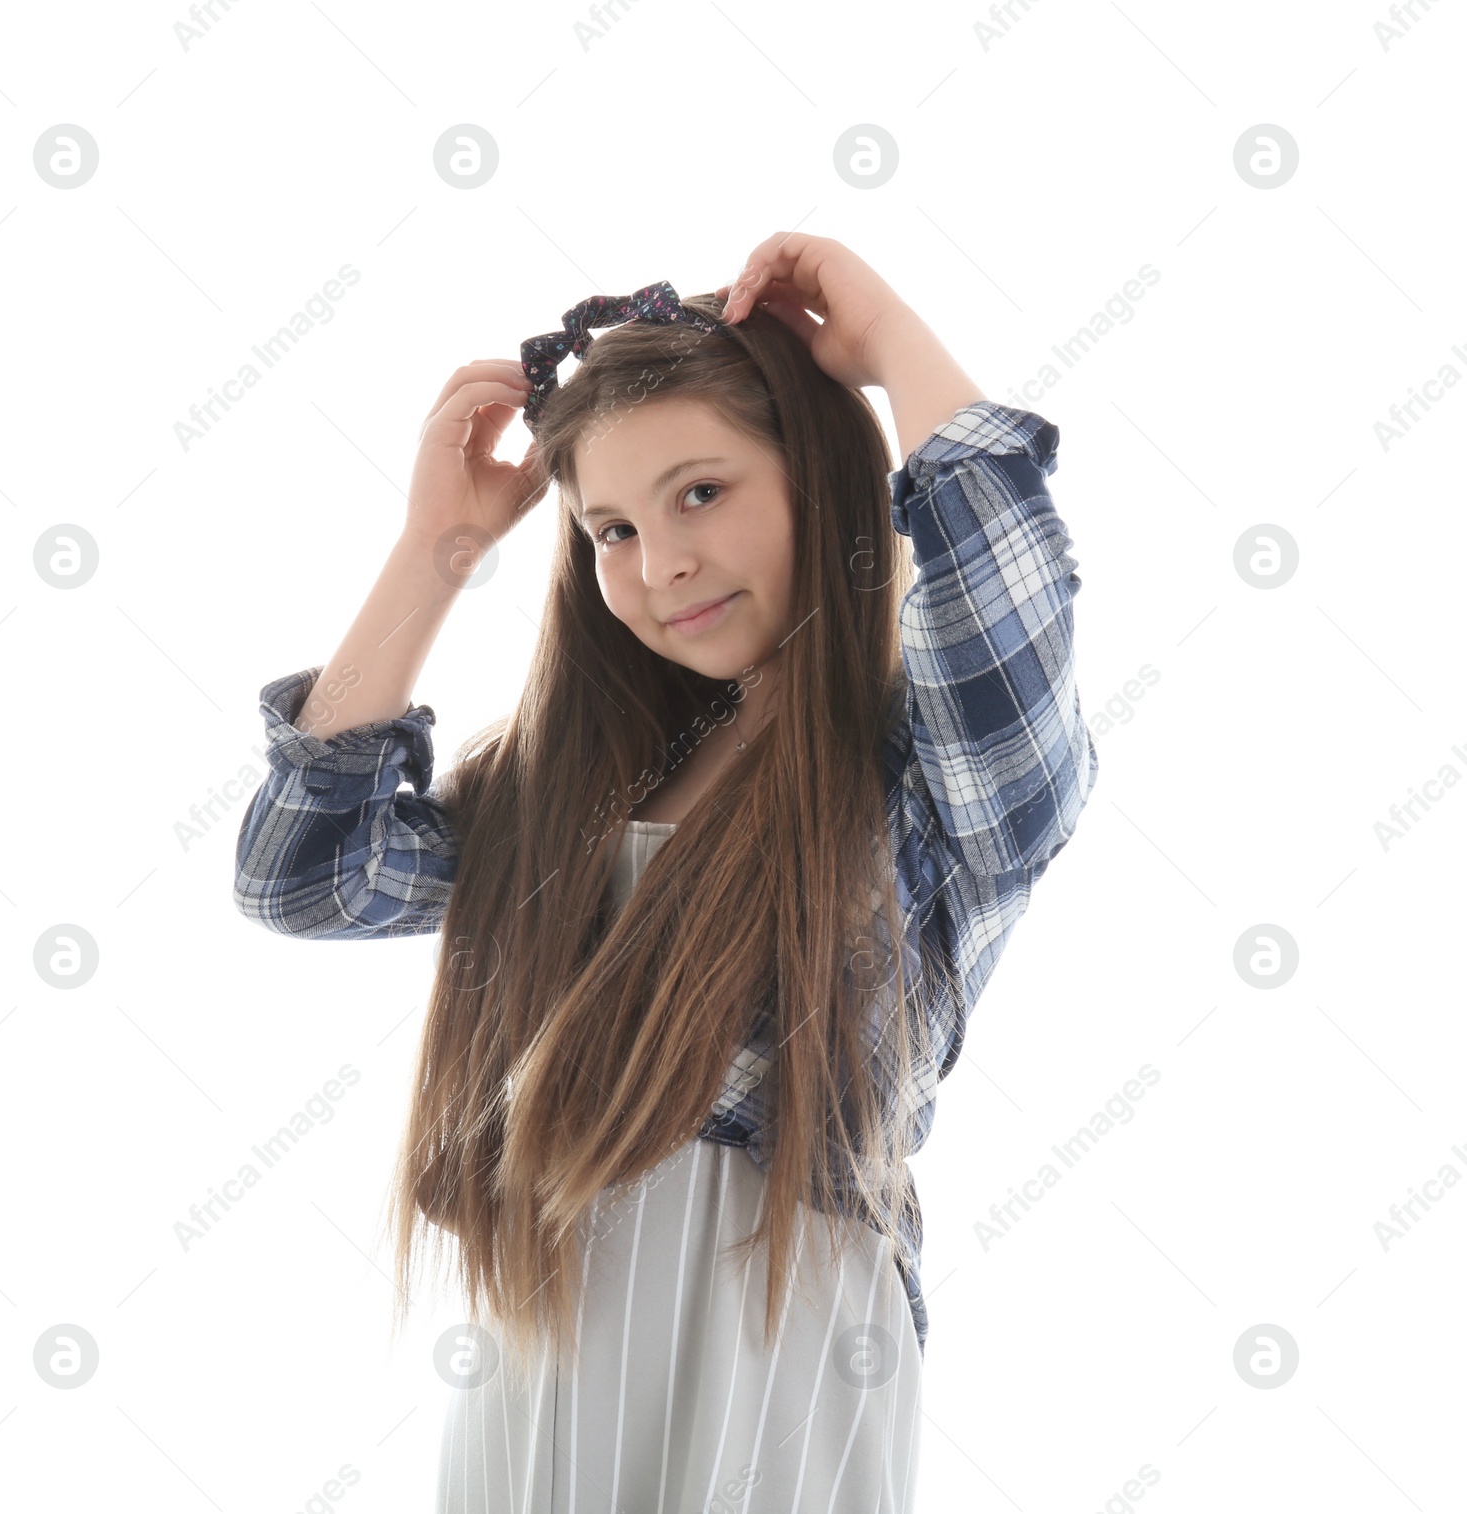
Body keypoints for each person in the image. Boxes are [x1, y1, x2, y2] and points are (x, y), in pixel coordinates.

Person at [233, 232, 1099, 1512]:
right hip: (544, 1350)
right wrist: (437, 550)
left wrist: (885, 339)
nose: (660, 563)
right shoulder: (569, 793)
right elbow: (303, 871)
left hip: (775, 1339)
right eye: (612, 527)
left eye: (702, 491)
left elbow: (997, 588)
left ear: (816, 476)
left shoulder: (925, 777)